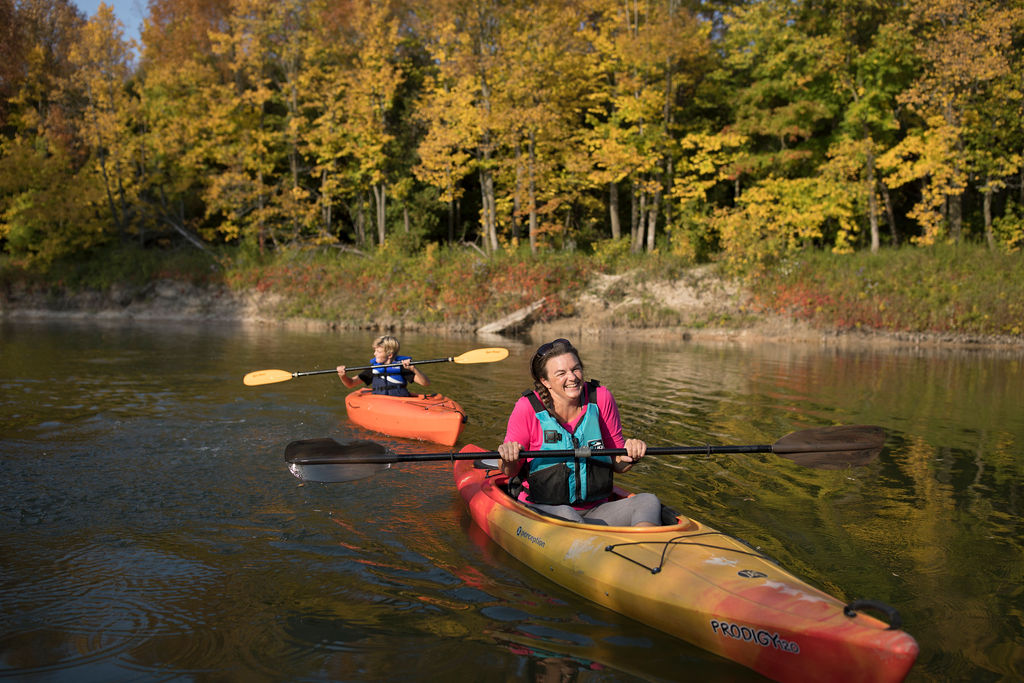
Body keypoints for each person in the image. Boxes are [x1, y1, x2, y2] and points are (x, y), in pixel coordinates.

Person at [497, 338, 662, 526]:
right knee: (567, 515)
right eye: (561, 373)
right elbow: (509, 471)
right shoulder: (527, 407)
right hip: (543, 508)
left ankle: (643, 549)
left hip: (597, 509)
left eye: (575, 369)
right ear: (545, 381)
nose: (572, 377)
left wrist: (631, 454)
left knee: (648, 501)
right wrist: (508, 457)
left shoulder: (601, 398)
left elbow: (618, 465)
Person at [336, 335, 429, 397]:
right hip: (379, 403)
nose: (374, 354)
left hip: (399, 404)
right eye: (375, 350)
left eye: (378, 351)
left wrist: (414, 369)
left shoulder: (402, 367)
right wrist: (342, 376)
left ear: (389, 355)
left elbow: (425, 383)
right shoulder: (373, 369)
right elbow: (351, 383)